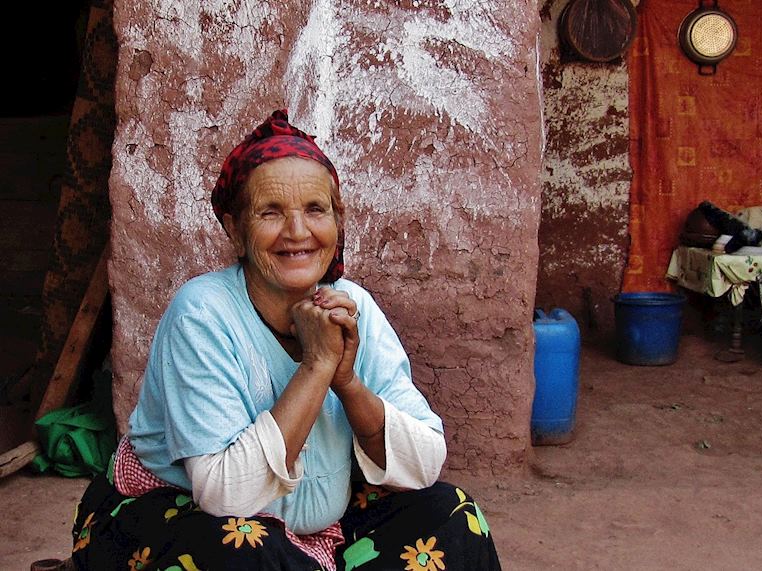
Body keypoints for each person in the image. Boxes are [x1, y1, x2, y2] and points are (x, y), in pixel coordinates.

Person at [68, 110, 502, 570]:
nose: (298, 233)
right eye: (270, 212)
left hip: (319, 529)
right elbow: (223, 494)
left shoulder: (353, 306)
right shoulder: (202, 313)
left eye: (315, 210)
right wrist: (316, 367)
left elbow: (424, 464)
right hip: (188, 519)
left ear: (337, 221)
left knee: (452, 516)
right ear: (235, 230)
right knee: (237, 549)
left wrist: (347, 382)